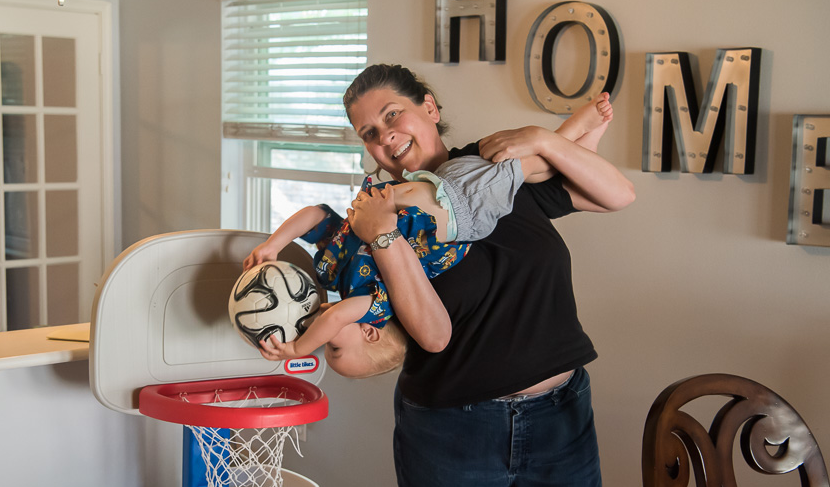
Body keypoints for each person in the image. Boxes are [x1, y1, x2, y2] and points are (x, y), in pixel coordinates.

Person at [343, 64, 635, 487]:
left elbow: (614, 193)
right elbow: (420, 334)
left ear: (428, 105)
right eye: (368, 132)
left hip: (561, 420)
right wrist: (380, 240)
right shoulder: (384, 217)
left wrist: (544, 138)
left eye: (392, 115)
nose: (384, 137)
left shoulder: (492, 168)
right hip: (451, 434)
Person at [242, 96, 612, 378]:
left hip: (423, 195)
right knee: (524, 167)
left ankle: (572, 131)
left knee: (527, 166)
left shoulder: (337, 271)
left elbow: (316, 215)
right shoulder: (375, 302)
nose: (322, 344)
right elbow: (336, 319)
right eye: (333, 349)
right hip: (454, 217)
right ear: (371, 333)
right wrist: (297, 349)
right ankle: (575, 130)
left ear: (430, 107)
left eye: (391, 114)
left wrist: (274, 244)